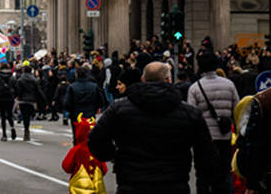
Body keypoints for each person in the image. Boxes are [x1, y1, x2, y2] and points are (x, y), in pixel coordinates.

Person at [88, 61, 214, 194]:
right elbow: (206, 152)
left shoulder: (119, 109)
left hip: (132, 181)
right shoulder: (189, 113)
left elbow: (96, 139)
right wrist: (204, 181)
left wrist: (114, 156)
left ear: (143, 79)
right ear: (169, 80)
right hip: (173, 182)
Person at [187, 53, 239, 194]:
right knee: (224, 174)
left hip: (203, 140)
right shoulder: (229, 85)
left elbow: (192, 116)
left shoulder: (194, 88)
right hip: (224, 137)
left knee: (203, 176)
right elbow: (237, 110)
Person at [15, 63, 45, 142]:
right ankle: (27, 128)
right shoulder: (34, 80)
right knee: (29, 114)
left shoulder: (20, 79)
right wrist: (43, 100)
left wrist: (17, 97)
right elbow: (38, 91)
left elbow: (18, 90)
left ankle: (26, 130)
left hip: (22, 100)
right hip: (31, 100)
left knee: (25, 115)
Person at [0, 62, 16, 141]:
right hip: (10, 98)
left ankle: (4, 134)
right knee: (9, 115)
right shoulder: (12, 77)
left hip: (1, 98)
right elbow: (15, 88)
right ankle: (12, 128)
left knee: (3, 117)